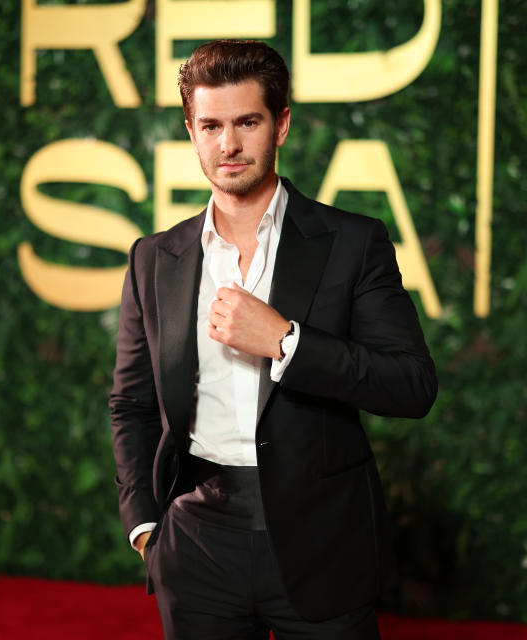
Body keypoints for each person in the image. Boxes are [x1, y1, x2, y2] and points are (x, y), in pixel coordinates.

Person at [109, 39, 437, 639]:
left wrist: (287, 341)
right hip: (195, 546)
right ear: (190, 131)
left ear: (281, 125)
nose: (228, 145)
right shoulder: (155, 258)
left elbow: (411, 385)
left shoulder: (351, 242)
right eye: (210, 125)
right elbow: (132, 404)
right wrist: (145, 528)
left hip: (323, 544)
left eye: (247, 122)